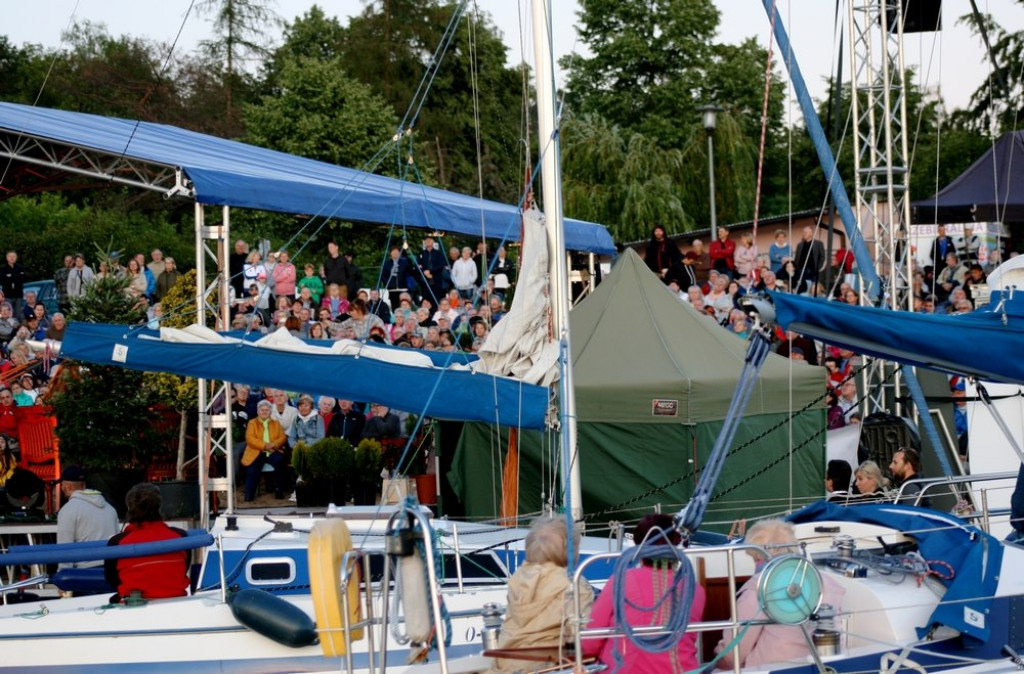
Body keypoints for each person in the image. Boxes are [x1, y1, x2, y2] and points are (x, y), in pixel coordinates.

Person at [715, 519, 845, 670]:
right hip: (821, 668)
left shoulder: (758, 587)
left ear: (758, 556)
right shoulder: (826, 582)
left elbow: (734, 653)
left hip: (771, 669)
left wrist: (717, 663)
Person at [582, 514, 705, 673]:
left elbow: (590, 643)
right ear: (675, 543)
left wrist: (568, 650)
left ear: (638, 545)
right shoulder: (695, 590)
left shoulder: (621, 581)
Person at [488, 516, 594, 673]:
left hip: (505, 666)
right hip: (545, 667)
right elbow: (578, 637)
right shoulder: (574, 585)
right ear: (569, 550)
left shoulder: (518, 577)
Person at [104, 483, 189, 602]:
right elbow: (184, 569)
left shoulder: (117, 543)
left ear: (129, 508)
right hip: (176, 601)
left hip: (134, 603)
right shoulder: (181, 537)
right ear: (159, 507)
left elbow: (112, 579)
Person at [56, 465, 119, 569]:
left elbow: (64, 548)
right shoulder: (110, 508)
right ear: (84, 485)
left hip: (84, 572)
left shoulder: (68, 510)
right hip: (110, 570)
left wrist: (63, 576)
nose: (61, 488)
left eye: (62, 485)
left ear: (68, 487)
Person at [241, 399, 288, 501]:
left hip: (273, 450)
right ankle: (249, 495)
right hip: (257, 450)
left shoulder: (276, 423)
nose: (264, 412)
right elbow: (250, 439)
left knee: (281, 462)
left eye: (267, 410)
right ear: (258, 411)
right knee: (252, 470)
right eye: (262, 410)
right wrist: (265, 446)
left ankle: (279, 491)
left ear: (270, 412)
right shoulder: (252, 423)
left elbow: (283, 437)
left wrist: (273, 445)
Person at [793, 226, 825, 293]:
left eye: (805, 232)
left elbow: (822, 257)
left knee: (813, 288)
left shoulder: (819, 244)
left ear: (811, 233)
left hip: (814, 271)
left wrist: (818, 267)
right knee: (802, 288)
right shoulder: (800, 245)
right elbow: (796, 258)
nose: (804, 234)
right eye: (803, 232)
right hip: (801, 270)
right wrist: (796, 268)